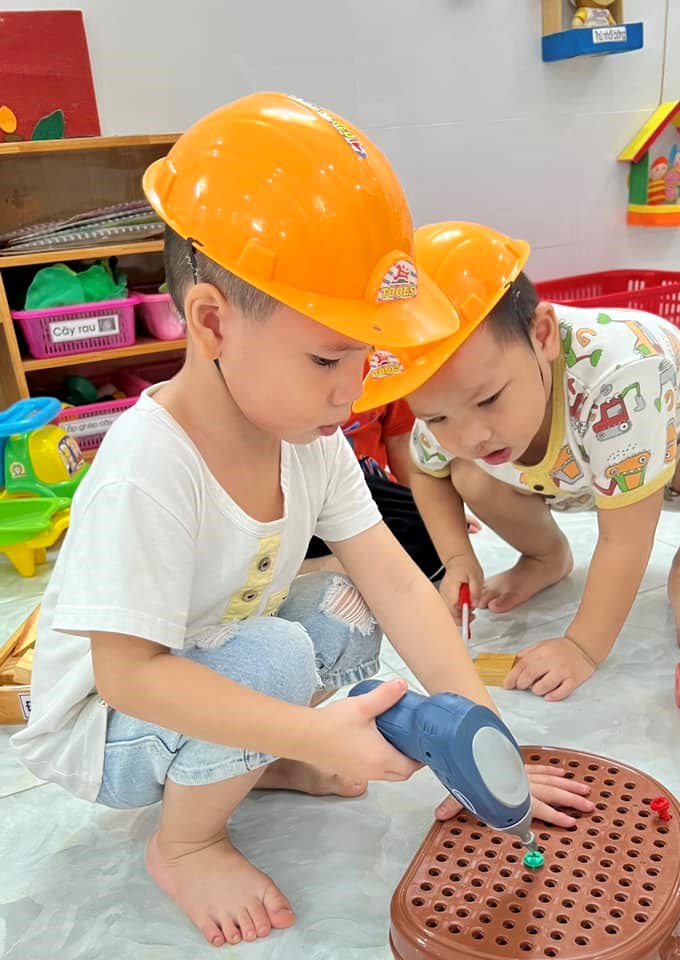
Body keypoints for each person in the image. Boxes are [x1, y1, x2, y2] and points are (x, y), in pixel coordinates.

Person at [11, 101, 592, 947]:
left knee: (347, 603)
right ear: (211, 322)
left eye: (364, 356)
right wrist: (315, 729)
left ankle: (262, 757)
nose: (351, 392)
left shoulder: (308, 440)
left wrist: (483, 733)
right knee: (280, 655)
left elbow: (397, 585)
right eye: (326, 358)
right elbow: (130, 676)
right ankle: (187, 842)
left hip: (211, 658)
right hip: (105, 729)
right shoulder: (148, 465)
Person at [355, 221, 680, 702]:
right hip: (565, 472)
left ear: (542, 335)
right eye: (437, 417)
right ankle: (545, 557)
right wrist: (457, 557)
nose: (471, 434)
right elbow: (427, 469)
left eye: (489, 399)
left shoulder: (620, 375)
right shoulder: (453, 400)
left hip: (675, 451)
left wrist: (581, 647)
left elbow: (625, 536)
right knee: (465, 471)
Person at [303, 398, 480, 580]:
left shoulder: (387, 381)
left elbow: (399, 440)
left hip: (368, 490)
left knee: (432, 538)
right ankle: (311, 567)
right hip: (310, 491)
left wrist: (427, 509)